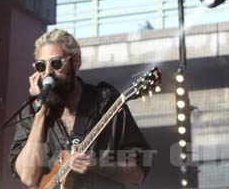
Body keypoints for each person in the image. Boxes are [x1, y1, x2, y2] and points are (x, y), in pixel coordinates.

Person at [9, 29, 151, 188]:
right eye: (41, 66)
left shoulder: (105, 102)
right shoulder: (31, 110)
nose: (48, 72)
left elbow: (137, 173)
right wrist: (41, 112)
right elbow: (28, 178)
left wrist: (95, 164)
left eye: (56, 63)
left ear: (75, 61)